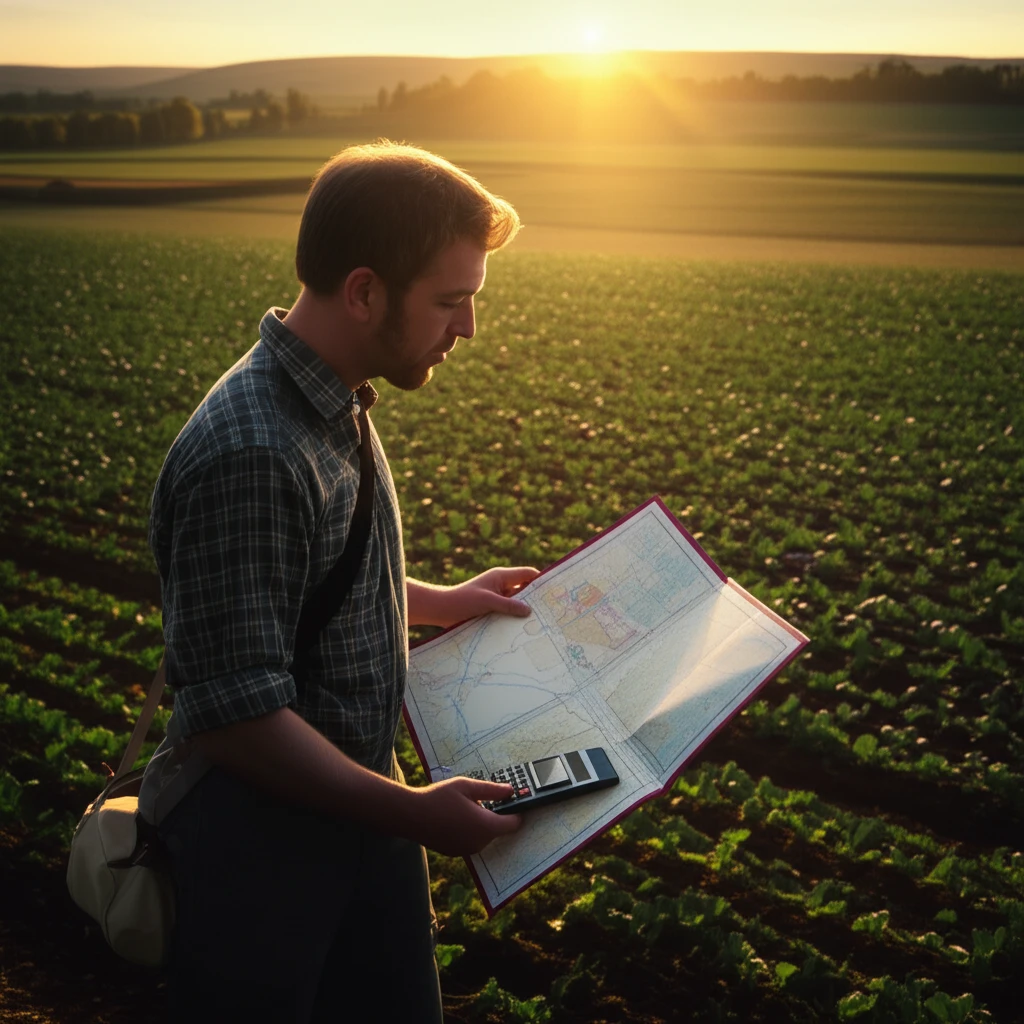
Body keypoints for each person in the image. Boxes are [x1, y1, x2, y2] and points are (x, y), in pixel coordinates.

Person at [138, 141, 538, 1023]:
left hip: (364, 815)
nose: (469, 328)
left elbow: (312, 577)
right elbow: (236, 718)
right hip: (263, 850)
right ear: (364, 292)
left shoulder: (333, 395)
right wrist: (414, 814)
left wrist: (441, 601)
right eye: (451, 300)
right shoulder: (252, 450)